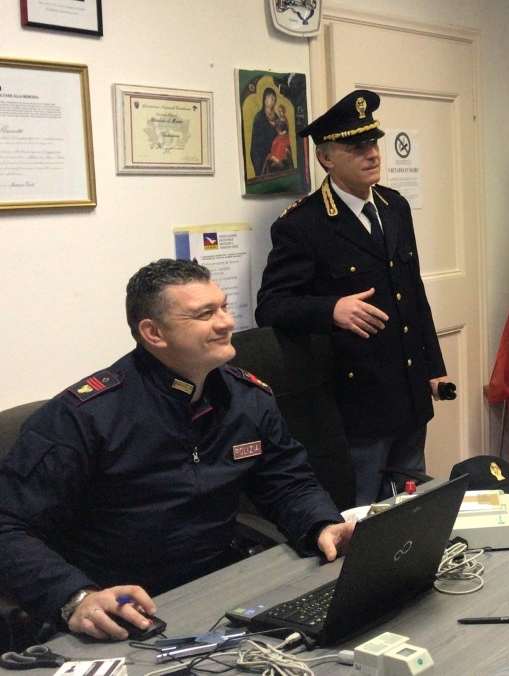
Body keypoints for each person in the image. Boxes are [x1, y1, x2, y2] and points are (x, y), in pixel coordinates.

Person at [0, 259, 354, 642]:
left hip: (220, 587)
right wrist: (75, 598)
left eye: (223, 307)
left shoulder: (247, 398)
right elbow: (9, 526)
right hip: (119, 607)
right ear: (153, 333)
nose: (226, 322)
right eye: (204, 314)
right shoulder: (84, 417)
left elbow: (288, 484)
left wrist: (322, 525)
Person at [256, 89, 451, 506]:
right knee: (360, 512)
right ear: (326, 158)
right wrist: (331, 309)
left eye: (374, 143)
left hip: (409, 394)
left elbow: (413, 295)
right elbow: (270, 306)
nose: (373, 154)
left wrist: (433, 369)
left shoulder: (394, 207)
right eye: (357, 147)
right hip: (356, 404)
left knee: (411, 505)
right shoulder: (304, 224)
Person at [249, 87, 280, 179]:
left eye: (274, 99)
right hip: (263, 157)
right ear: (265, 100)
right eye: (271, 98)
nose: (273, 101)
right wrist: (271, 157)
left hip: (277, 154)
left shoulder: (277, 117)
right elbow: (257, 144)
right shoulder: (259, 118)